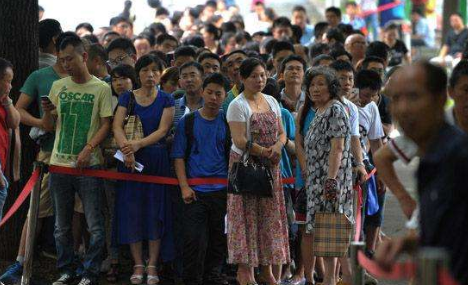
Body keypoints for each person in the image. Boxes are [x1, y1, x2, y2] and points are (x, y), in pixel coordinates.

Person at [375, 61, 468, 284]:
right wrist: (408, 244)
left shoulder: (458, 157)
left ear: (440, 100)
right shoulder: (432, 157)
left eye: (414, 97)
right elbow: (449, 234)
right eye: (396, 99)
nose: (404, 109)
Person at [0, 31, 72, 285]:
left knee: (78, 212)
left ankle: (74, 264)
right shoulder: (40, 76)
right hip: (47, 153)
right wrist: (42, 121)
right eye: (64, 55)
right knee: (35, 210)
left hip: (81, 157)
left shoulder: (91, 82)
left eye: (73, 56)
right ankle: (20, 263)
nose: (68, 61)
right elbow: (18, 111)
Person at [41, 35, 112, 285]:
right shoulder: (58, 87)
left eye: (70, 59)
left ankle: (90, 271)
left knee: (94, 224)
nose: (66, 64)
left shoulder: (102, 87)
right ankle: (66, 269)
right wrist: (48, 113)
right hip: (59, 164)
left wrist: (90, 147)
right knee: (61, 225)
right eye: (62, 60)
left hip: (89, 165)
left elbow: (106, 124)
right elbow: (49, 126)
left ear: (84, 56)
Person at [113, 54, 175, 285]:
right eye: (145, 70)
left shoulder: (167, 99)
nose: (150, 75)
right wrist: (128, 150)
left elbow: (163, 131)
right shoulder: (127, 97)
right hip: (129, 160)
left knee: (155, 212)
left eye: (155, 71)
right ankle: (138, 263)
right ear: (137, 74)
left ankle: (153, 264)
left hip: (155, 160)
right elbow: (117, 126)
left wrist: (138, 145)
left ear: (161, 74)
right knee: (132, 210)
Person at [226, 58, 289, 285]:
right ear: (242, 79)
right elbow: (240, 140)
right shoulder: (237, 104)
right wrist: (265, 151)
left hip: (271, 166)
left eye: (262, 75)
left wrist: (277, 147)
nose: (259, 80)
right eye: (253, 76)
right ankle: (245, 271)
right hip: (247, 167)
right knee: (245, 217)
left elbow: (282, 133)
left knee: (269, 218)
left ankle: (267, 270)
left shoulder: (272, 100)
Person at [172, 73, 231, 285]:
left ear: (225, 96)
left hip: (222, 191)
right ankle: (191, 279)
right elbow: (178, 156)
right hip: (195, 192)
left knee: (219, 238)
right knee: (194, 241)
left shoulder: (228, 121)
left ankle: (214, 275)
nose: (213, 97)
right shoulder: (187, 122)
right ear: (202, 92)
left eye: (218, 93)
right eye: (210, 92)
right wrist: (184, 187)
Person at [301, 67, 353, 285]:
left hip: (331, 181)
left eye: (320, 84)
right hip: (316, 181)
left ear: (331, 87)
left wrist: (331, 180)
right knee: (326, 234)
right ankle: (337, 279)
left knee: (332, 232)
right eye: (312, 84)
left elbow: (338, 148)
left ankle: (333, 279)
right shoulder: (319, 111)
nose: (315, 88)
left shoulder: (335, 110)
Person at [102, 64, 138, 283]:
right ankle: (114, 260)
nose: (119, 83)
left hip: (138, 167)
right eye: (115, 79)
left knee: (136, 214)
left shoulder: (141, 101)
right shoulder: (108, 103)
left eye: (124, 78)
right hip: (110, 168)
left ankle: (138, 261)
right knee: (111, 216)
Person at [354, 69, 385, 257]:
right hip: (341, 168)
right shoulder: (342, 104)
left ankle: (362, 254)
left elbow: (376, 142)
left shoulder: (372, 107)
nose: (368, 100)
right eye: (365, 95)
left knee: (363, 213)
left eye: (373, 96)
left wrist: (381, 172)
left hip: (363, 169)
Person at [0, 58, 20, 221]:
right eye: (8, 81)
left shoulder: (3, 101)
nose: (11, 86)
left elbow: (14, 122)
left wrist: (7, 101)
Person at [173, 62, 205, 128]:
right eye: (184, 76)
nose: (189, 80)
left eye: (193, 75)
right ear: (180, 82)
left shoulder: (213, 104)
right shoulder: (172, 107)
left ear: (202, 79)